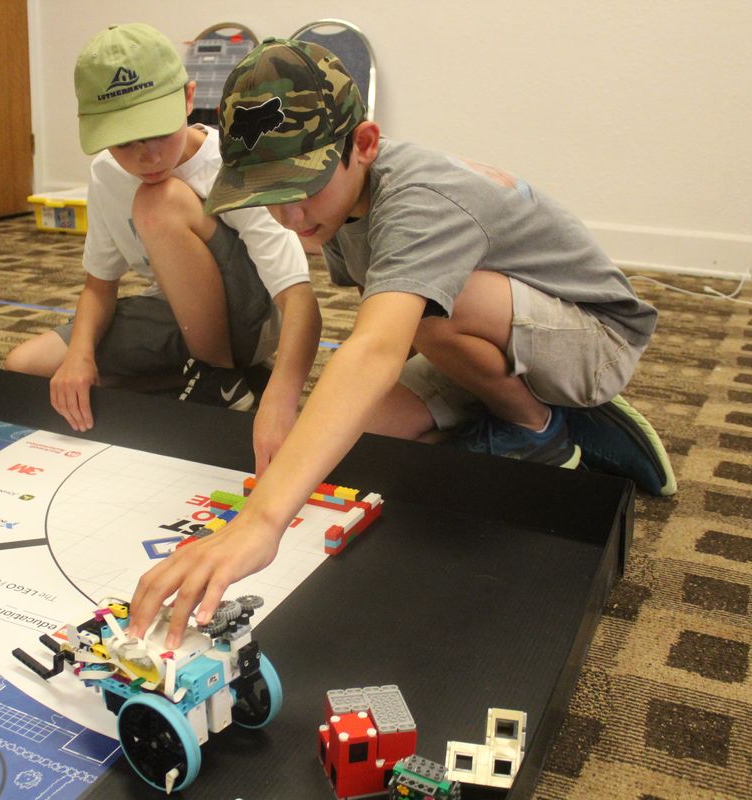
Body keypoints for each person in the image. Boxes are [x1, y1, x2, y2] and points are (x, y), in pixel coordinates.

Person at [128, 38, 676, 647]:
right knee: (363, 441)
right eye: (271, 195)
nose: (290, 217)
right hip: (482, 332)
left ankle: (542, 427)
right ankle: (495, 407)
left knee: (420, 311)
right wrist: (308, 408)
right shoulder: (337, 203)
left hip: (592, 340)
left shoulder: (418, 202)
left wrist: (261, 522)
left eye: (303, 187)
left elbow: (375, 347)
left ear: (363, 144)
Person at [5, 24, 320, 474]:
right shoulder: (106, 175)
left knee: (159, 201)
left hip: (252, 319)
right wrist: (79, 356)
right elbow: (99, 286)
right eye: (125, 142)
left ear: (189, 99)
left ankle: (222, 377)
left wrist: (282, 398)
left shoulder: (234, 162)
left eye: (157, 133)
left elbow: (299, 298)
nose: (146, 156)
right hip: (177, 310)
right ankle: (211, 382)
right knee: (28, 369)